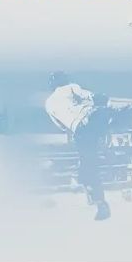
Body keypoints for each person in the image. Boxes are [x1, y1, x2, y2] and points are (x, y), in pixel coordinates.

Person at [45, 72, 112, 221]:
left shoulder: (48, 103)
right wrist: (99, 99)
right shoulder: (71, 87)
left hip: (80, 131)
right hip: (92, 118)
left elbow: (61, 126)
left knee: (87, 166)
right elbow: (90, 96)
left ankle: (98, 200)